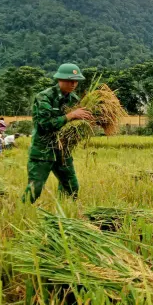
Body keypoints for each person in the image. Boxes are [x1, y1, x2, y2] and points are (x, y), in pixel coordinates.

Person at [23, 63, 91, 203]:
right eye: (70, 80)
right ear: (60, 79)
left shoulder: (74, 100)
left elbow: (75, 125)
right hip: (43, 151)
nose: (73, 84)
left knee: (72, 188)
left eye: (76, 81)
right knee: (34, 190)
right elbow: (45, 124)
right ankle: (21, 212)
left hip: (62, 151)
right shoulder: (44, 97)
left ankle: (62, 214)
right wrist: (70, 116)